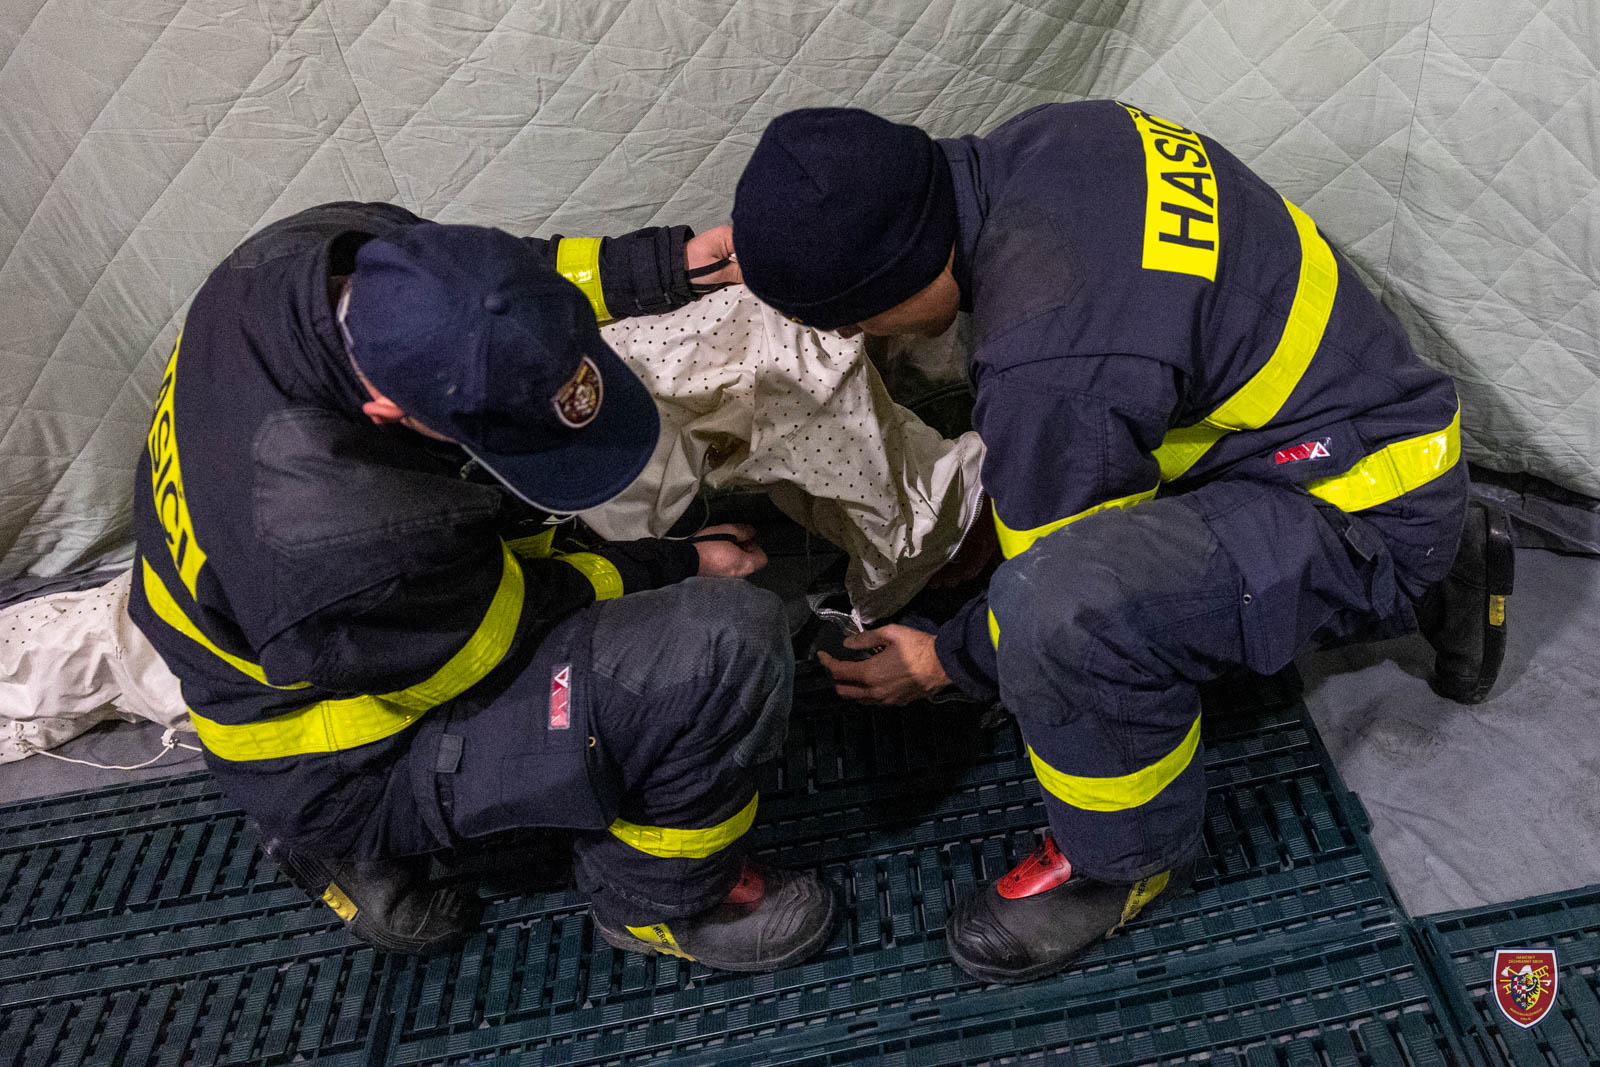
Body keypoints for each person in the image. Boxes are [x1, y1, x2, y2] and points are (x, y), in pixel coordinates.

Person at [729, 102, 1512, 983]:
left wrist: (943, 661)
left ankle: (1124, 860)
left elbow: (1057, 589)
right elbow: (1123, 367)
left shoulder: (1049, 355)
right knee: (1044, 561)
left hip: (1363, 509)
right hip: (1373, 425)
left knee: (1059, 616)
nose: (856, 338)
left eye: (855, 319)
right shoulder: (1059, 138)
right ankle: (1457, 551)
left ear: (908, 266)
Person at [128, 201, 838, 970]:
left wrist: (660, 267)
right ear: (386, 409)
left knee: (532, 516)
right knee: (723, 652)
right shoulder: (349, 535)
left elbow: (487, 294)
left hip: (303, 622)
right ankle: (657, 900)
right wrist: (676, 565)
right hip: (342, 756)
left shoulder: (309, 251)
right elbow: (516, 620)